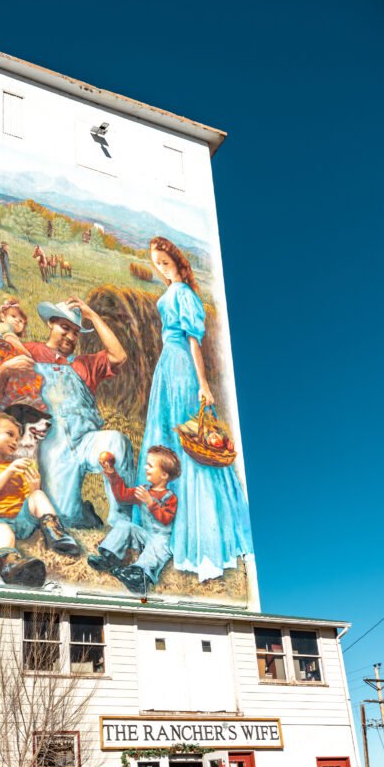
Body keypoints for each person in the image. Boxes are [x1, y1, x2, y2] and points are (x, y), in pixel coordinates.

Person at [136, 236, 253, 581]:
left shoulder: (183, 294)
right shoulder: (175, 292)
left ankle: (198, 534)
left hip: (183, 368)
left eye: (165, 263)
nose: (161, 268)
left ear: (177, 262)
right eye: (156, 264)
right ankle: (164, 525)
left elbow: (193, 341)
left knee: (189, 445)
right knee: (168, 437)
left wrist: (203, 384)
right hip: (168, 365)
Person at [0, 298, 134, 529]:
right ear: (50, 324)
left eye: (76, 332)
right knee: (65, 518)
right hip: (51, 445)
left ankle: (123, 524)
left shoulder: (85, 363)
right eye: (65, 328)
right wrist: (4, 369)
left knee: (117, 442)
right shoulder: (29, 351)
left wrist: (91, 315)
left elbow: (119, 356)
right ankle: (84, 513)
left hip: (86, 440)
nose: (71, 337)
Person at [0, 411, 80, 587]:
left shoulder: (16, 465)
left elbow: (29, 499)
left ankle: (56, 534)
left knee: (38, 496)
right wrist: (9, 471)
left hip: (20, 519)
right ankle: (10, 566)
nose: (15, 442)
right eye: (10, 434)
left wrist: (34, 488)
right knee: (1, 531)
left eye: (17, 438)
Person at [87, 445, 181, 594]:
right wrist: (112, 474)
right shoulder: (144, 490)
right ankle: (109, 557)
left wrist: (150, 502)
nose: (146, 468)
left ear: (164, 475)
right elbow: (122, 496)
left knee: (157, 547)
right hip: (146, 535)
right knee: (124, 525)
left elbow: (166, 518)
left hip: (161, 539)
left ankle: (139, 576)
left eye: (150, 466)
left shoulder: (170, 497)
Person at [0, 299, 47, 414]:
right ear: (2, 316)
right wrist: (28, 357)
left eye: (21, 321)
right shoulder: (4, 328)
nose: (17, 321)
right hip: (3, 359)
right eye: (13, 316)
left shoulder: (9, 333)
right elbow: (19, 348)